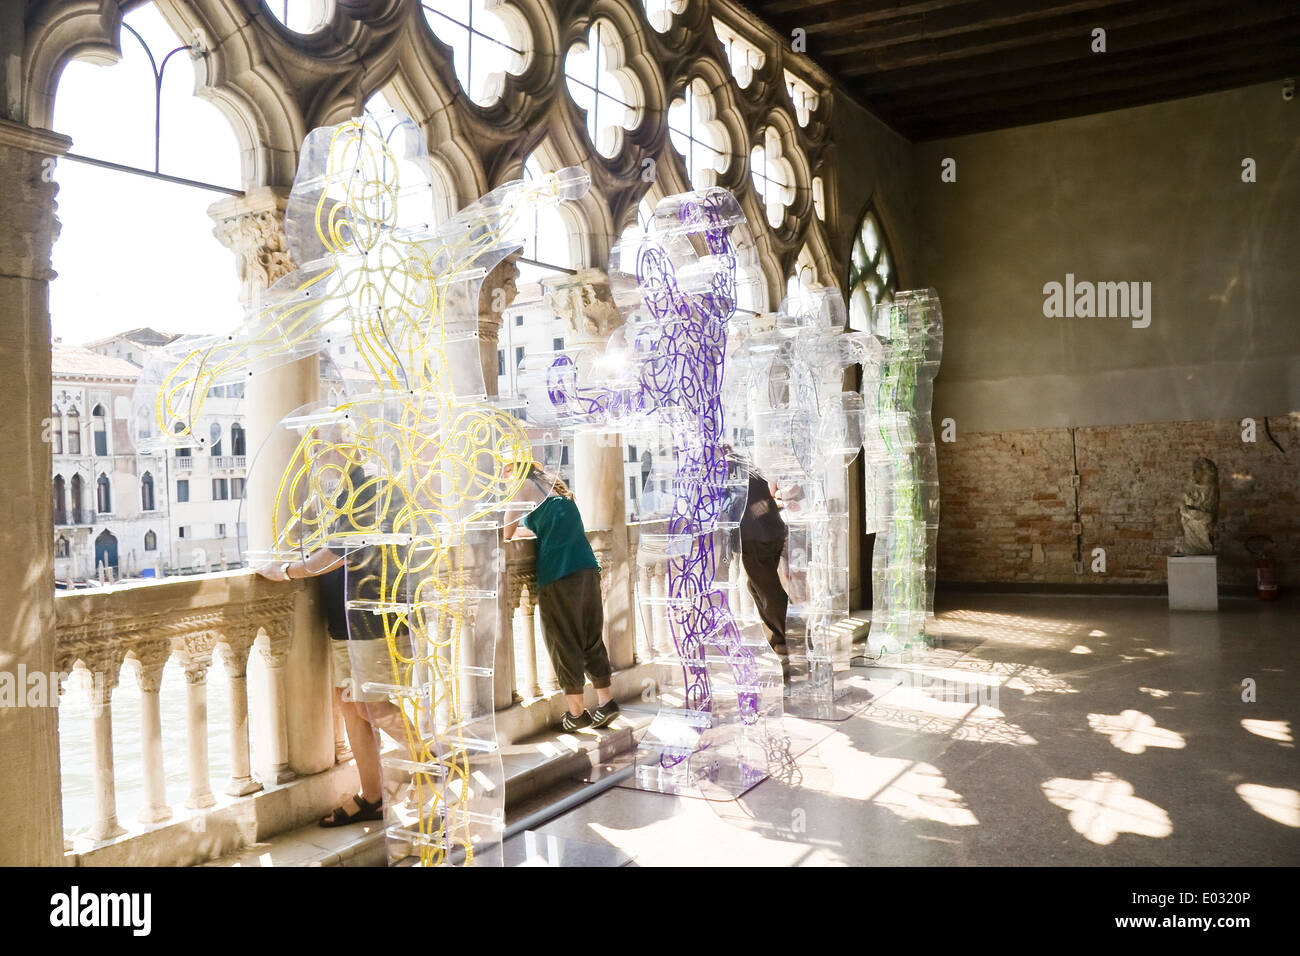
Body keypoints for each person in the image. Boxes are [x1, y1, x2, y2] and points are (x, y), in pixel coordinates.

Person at [258, 464, 406, 827]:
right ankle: (373, 797)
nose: (320, 455)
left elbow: (338, 553)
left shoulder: (372, 487)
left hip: (373, 619)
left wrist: (288, 571)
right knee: (350, 705)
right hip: (345, 621)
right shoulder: (339, 494)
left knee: (372, 706)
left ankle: (439, 765)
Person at [506, 462, 619, 731]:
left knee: (562, 638)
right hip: (587, 568)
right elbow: (549, 527)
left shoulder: (521, 488)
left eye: (505, 471)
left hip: (558, 573)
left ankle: (577, 712)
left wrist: (516, 522)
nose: (503, 478)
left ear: (515, 469)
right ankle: (606, 702)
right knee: (590, 636)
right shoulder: (555, 488)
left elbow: (505, 532)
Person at [737, 463, 792, 684]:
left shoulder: (736, 475)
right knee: (757, 587)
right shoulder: (750, 471)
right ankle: (781, 637)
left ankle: (791, 637)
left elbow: (748, 509)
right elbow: (761, 505)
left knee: (767, 591)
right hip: (771, 534)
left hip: (757, 539)